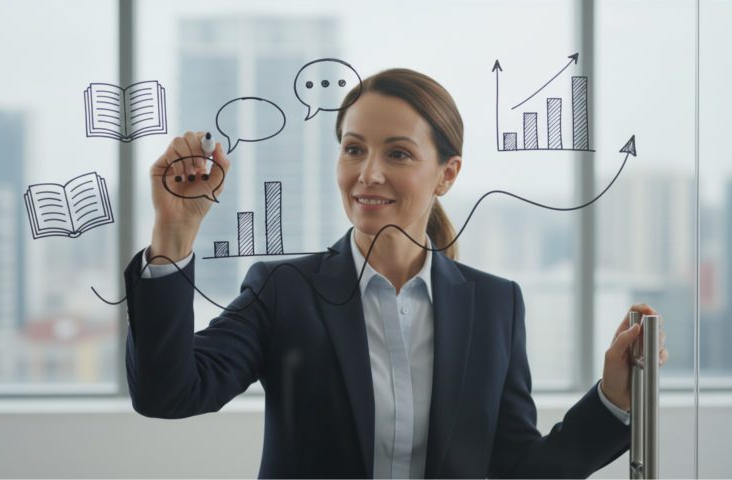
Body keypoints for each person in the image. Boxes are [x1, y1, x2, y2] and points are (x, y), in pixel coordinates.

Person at [125, 68, 668, 478]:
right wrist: (173, 235)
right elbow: (168, 393)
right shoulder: (283, 291)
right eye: (354, 149)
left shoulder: (496, 305)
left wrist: (614, 397)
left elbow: (518, 470)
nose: (369, 174)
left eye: (399, 154)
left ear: (447, 174)